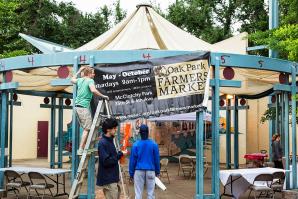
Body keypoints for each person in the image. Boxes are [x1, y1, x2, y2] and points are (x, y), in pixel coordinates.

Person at [71, 66, 109, 155]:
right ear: (88, 74)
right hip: (83, 107)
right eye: (93, 73)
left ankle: (83, 147)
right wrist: (103, 96)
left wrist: (79, 71)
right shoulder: (90, 80)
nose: (94, 74)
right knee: (87, 129)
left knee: (86, 127)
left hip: (77, 107)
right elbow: (93, 90)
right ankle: (81, 149)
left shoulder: (80, 80)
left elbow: (72, 80)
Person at [129, 124, 160, 199]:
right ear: (148, 132)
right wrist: (157, 172)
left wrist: (131, 173)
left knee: (138, 194)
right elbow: (157, 159)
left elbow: (132, 161)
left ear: (140, 133)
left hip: (138, 171)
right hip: (150, 171)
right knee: (150, 194)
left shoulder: (135, 145)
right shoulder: (154, 144)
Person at [97, 117, 123, 199]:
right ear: (108, 129)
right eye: (114, 128)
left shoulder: (110, 140)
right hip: (108, 178)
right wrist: (119, 155)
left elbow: (112, 157)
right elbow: (106, 161)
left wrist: (119, 153)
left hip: (113, 177)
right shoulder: (102, 143)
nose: (116, 129)